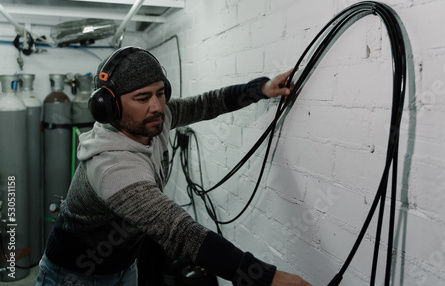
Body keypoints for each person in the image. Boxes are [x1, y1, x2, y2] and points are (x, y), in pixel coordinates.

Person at [36, 46, 311, 286]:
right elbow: (178, 231)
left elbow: (206, 104)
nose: (156, 106)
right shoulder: (111, 164)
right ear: (109, 108)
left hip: (123, 265)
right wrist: (264, 278)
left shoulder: (156, 117)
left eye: (160, 93)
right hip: (75, 274)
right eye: (142, 98)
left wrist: (259, 89)